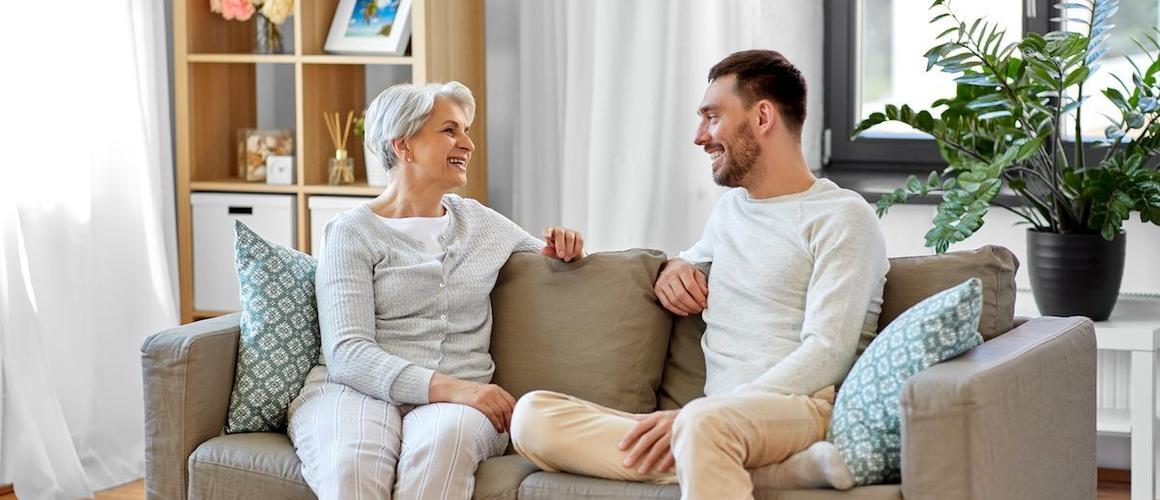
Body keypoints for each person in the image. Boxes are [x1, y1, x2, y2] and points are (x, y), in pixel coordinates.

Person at [509, 49, 889, 499]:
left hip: (797, 409)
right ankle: (775, 472)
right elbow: (696, 256)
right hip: (714, 421)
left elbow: (828, 352)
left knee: (701, 424)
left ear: (763, 116)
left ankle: (725, 448)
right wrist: (677, 265)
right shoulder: (729, 210)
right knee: (532, 417)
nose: (699, 136)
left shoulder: (843, 217)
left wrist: (713, 413)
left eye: (712, 117)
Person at [287, 81, 585, 500]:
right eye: (450, 130)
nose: (468, 143)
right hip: (358, 391)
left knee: (439, 456)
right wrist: (457, 388)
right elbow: (348, 354)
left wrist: (566, 246)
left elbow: (550, 254)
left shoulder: (480, 223)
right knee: (352, 465)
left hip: (457, 408)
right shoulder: (352, 233)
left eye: (465, 130)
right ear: (404, 145)